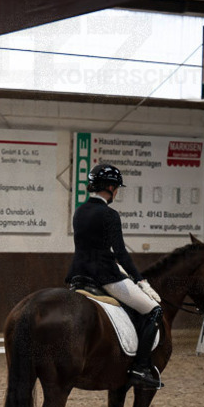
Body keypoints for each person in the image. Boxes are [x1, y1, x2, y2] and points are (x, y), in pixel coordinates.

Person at [66, 163, 164, 389]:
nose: (117, 191)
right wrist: (141, 281)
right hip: (105, 277)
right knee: (154, 311)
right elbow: (120, 252)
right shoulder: (110, 215)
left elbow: (90, 247)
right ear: (110, 187)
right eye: (116, 187)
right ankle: (140, 367)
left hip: (78, 275)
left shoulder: (79, 211)